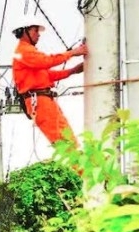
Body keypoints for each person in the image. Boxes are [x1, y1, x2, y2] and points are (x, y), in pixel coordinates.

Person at [12, 16, 88, 147]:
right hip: (39, 101)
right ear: (24, 32)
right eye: (35, 30)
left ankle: (81, 166)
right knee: (62, 142)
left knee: (69, 139)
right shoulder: (23, 52)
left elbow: (47, 75)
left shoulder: (28, 52)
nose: (38, 35)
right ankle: (77, 167)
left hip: (45, 100)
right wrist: (73, 53)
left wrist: (72, 71)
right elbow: (47, 61)